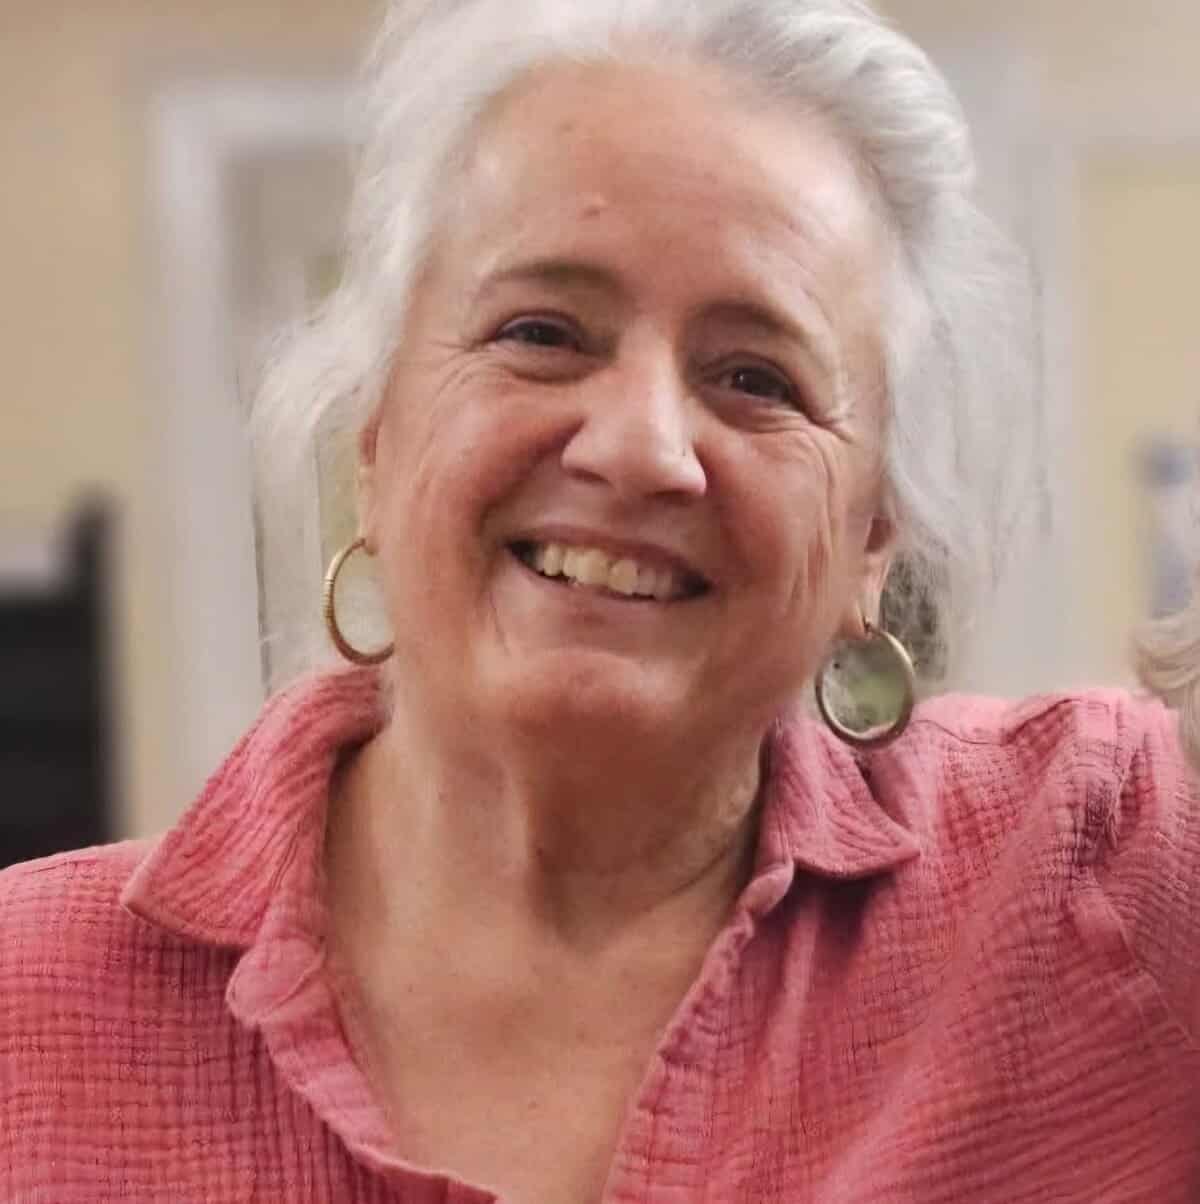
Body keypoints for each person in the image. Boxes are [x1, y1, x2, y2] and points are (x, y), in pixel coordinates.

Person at [3, 0, 1198, 1200]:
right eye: (543, 333)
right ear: (375, 432)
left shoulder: (1102, 868)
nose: (639, 448)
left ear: (871, 536)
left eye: (755, 376)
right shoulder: (29, 1014)